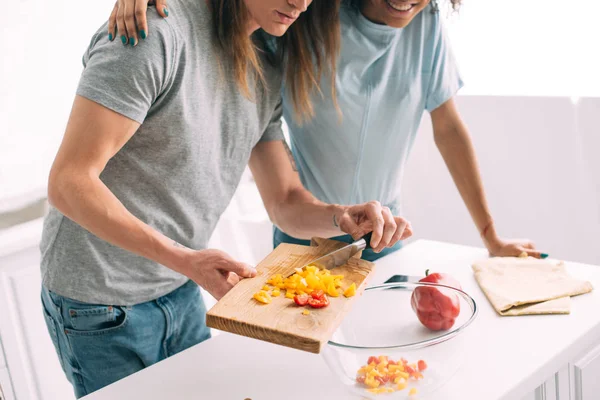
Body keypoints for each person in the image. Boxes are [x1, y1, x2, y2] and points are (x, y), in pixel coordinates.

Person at [40, 0, 412, 397]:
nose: (301, 3)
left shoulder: (266, 66)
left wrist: (341, 217)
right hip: (98, 301)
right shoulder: (154, 34)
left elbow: (284, 200)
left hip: (179, 284)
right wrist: (186, 260)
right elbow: (69, 181)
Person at [107, 0, 547, 261]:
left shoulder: (427, 24)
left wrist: (491, 237)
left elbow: (449, 129)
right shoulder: (303, 15)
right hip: (304, 236)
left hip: (386, 234)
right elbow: (227, 14)